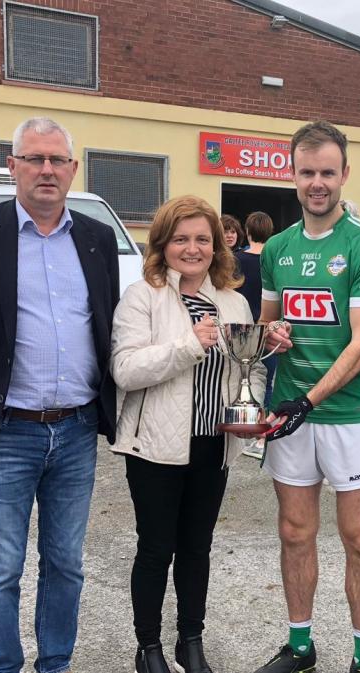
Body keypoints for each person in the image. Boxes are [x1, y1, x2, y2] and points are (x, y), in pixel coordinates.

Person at [0, 116, 119, 673]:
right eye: (34, 158)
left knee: (66, 564)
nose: (46, 170)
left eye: (57, 160)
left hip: (76, 430)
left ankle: (55, 664)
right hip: (4, 432)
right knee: (0, 568)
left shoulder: (96, 239)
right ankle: (0, 666)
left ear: (73, 169)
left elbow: (105, 322)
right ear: (12, 166)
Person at [253, 120, 360, 673]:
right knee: (294, 533)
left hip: (349, 414)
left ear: (344, 174)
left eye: (327, 173)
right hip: (290, 414)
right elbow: (266, 327)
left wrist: (308, 400)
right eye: (307, 172)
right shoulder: (278, 248)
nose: (317, 183)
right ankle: (300, 647)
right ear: (292, 175)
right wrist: (273, 334)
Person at [110, 195, 265, 673]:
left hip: (212, 445)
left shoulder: (233, 301)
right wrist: (187, 345)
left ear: (217, 245)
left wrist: (251, 404)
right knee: (156, 549)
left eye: (202, 239)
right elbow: (125, 369)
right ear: (162, 244)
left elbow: (250, 367)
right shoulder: (143, 297)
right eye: (181, 239)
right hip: (155, 448)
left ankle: (190, 642)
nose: (192, 249)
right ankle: (149, 648)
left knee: (197, 549)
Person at [235, 211, 277, 459]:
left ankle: (245, 430)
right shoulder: (275, 259)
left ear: (247, 232)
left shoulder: (237, 260)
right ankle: (264, 436)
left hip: (241, 332)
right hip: (268, 331)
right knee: (267, 382)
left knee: (242, 381)